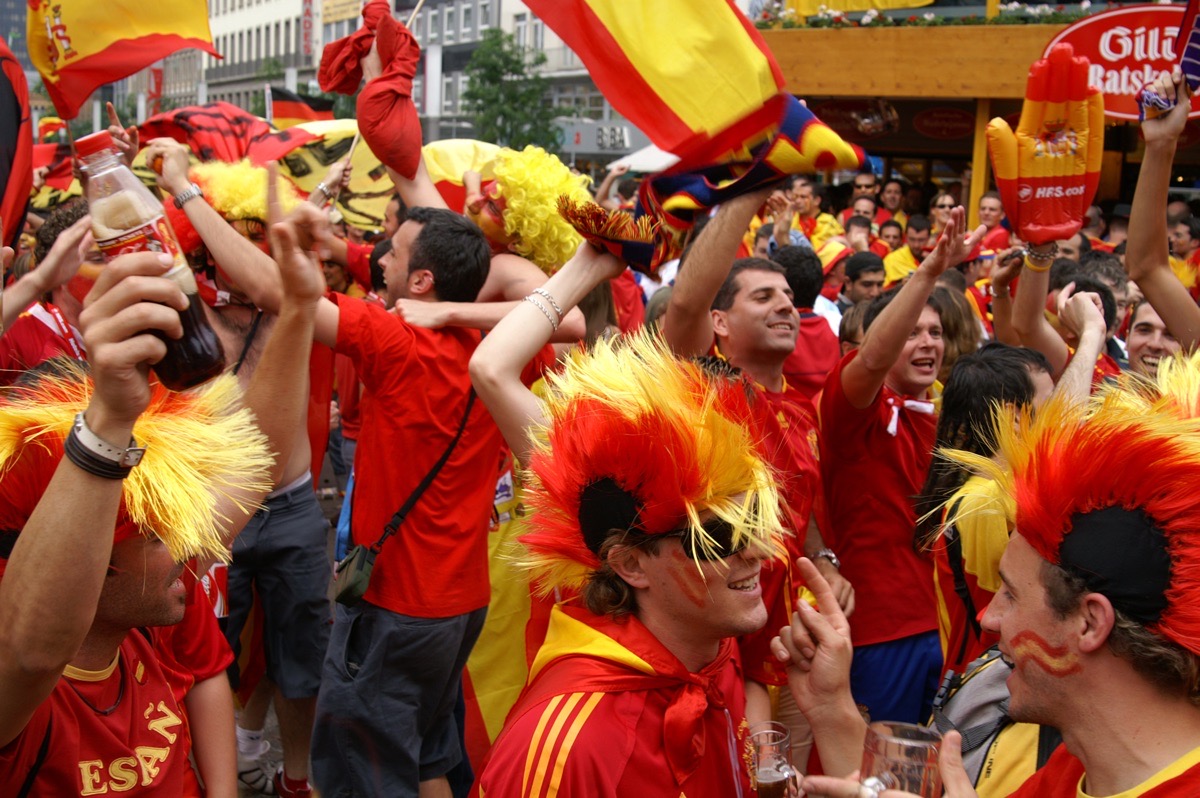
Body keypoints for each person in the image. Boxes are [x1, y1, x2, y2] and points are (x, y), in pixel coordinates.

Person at [0, 195, 323, 795]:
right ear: (87, 563)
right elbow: (29, 655)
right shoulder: (26, 676)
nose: (189, 541)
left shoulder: (150, 602)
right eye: (152, 532)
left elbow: (256, 465)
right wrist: (108, 420)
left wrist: (299, 307)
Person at [782, 348, 1200, 798]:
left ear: (1091, 621)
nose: (989, 617)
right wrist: (830, 708)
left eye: (1012, 594)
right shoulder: (1075, 768)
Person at [476, 330, 786, 797]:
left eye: (755, 520)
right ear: (630, 565)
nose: (759, 551)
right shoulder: (567, 748)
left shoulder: (711, 657)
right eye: (719, 536)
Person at [818, 205, 984, 725]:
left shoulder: (946, 417)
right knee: (877, 771)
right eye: (911, 331)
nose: (928, 342)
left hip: (949, 630)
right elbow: (870, 360)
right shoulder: (853, 411)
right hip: (879, 633)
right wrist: (930, 271)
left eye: (935, 332)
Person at [913, 343, 1053, 675]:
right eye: (1054, 403)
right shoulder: (986, 501)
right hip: (995, 689)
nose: (1067, 413)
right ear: (1015, 418)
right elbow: (1009, 620)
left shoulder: (999, 489)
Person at [883, 215, 931, 287]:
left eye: (921, 240)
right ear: (905, 237)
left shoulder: (936, 257)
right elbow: (883, 290)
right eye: (912, 239)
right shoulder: (893, 259)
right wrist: (900, 285)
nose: (916, 245)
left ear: (929, 238)